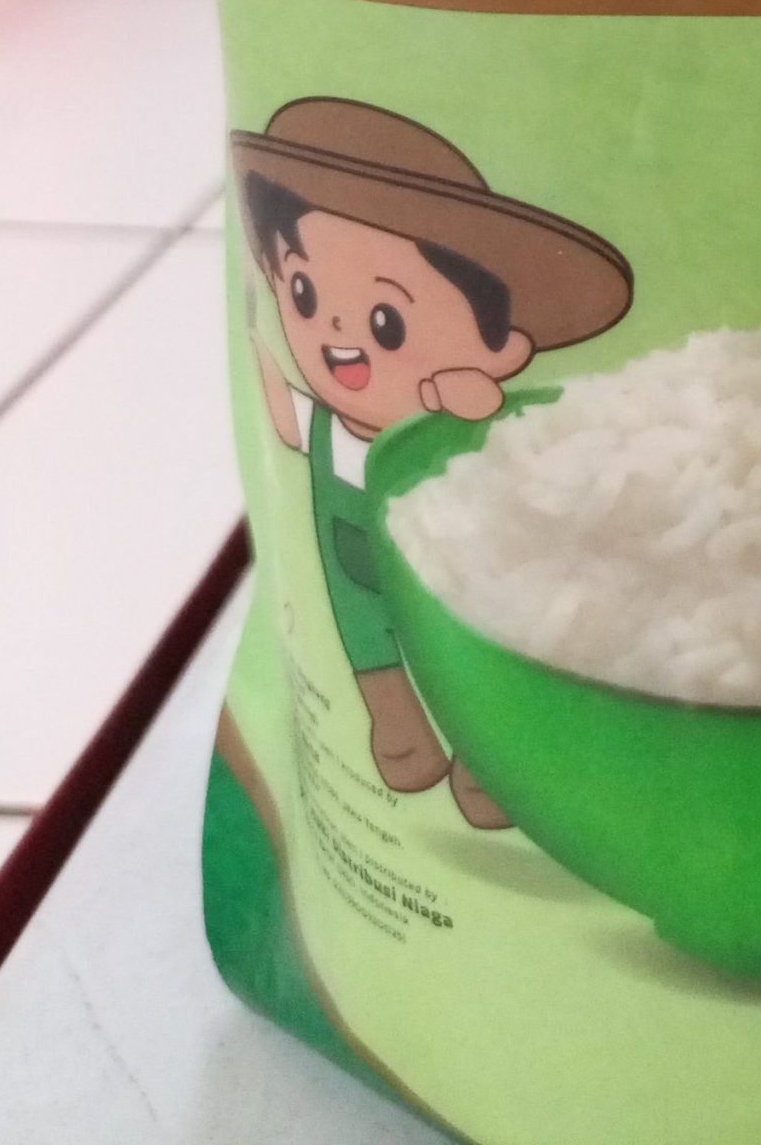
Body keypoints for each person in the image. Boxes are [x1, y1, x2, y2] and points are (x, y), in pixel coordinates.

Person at [233, 96, 632, 827]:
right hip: (352, 571)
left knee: (479, 649)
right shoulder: (324, 425)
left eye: (387, 321)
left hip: (457, 576)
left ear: (501, 350)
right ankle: (397, 727)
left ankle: (490, 760)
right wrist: (258, 345)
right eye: (304, 292)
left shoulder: (466, 430)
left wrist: (466, 403)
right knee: (369, 646)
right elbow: (282, 415)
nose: (336, 330)